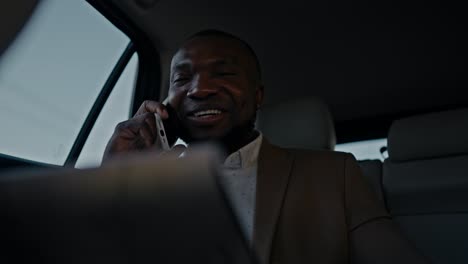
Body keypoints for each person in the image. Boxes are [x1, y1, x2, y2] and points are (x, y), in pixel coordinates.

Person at [103, 30, 429, 264]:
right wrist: (116, 178)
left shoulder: (336, 174)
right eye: (181, 79)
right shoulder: (148, 185)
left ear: (257, 96)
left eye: (224, 73)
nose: (199, 89)